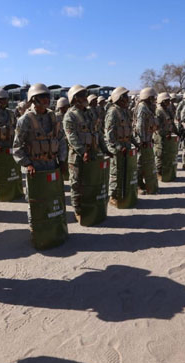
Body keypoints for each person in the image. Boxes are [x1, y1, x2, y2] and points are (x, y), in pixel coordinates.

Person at [13, 83, 68, 249]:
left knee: (54, 198)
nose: (46, 99)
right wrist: (27, 164)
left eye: (47, 96)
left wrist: (62, 160)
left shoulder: (54, 118)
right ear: (33, 99)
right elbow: (17, 147)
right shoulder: (25, 120)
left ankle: (55, 230)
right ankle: (36, 231)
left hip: (52, 165)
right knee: (35, 201)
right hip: (35, 169)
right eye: (42, 97)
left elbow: (61, 140)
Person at [64, 84, 109, 225]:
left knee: (92, 181)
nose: (85, 97)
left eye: (85, 94)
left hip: (93, 153)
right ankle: (78, 210)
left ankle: (92, 208)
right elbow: (72, 138)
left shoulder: (90, 113)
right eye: (82, 95)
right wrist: (83, 152)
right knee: (77, 184)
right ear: (75, 98)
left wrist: (104, 149)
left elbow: (97, 132)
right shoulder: (70, 116)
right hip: (77, 157)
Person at [0, 89, 24, 201]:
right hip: (0, 148)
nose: (4, 102)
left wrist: (18, 144)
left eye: (5, 99)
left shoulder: (10, 113)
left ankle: (16, 192)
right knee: (2, 172)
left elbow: (16, 129)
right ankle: (4, 194)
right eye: (1, 100)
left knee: (14, 170)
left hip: (11, 146)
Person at [104, 86, 137, 208]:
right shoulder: (113, 112)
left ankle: (123, 194)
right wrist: (118, 147)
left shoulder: (125, 111)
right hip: (117, 149)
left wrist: (135, 143)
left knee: (125, 171)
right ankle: (113, 196)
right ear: (119, 98)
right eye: (125, 97)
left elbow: (129, 130)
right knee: (115, 173)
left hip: (126, 146)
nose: (127, 99)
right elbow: (109, 134)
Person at [134, 87, 160, 194]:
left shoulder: (148, 107)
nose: (154, 99)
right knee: (139, 162)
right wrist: (143, 141)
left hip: (147, 138)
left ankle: (142, 183)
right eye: (152, 97)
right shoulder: (142, 107)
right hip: (142, 140)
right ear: (148, 97)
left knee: (145, 162)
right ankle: (138, 184)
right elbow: (140, 126)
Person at [154, 92, 179, 182]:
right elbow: (157, 126)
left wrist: (176, 131)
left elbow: (171, 122)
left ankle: (165, 172)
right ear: (162, 101)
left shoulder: (167, 110)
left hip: (167, 135)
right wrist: (165, 133)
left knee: (167, 154)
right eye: (167, 100)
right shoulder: (158, 111)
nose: (169, 102)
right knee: (159, 154)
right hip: (160, 136)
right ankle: (158, 172)